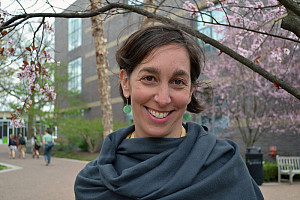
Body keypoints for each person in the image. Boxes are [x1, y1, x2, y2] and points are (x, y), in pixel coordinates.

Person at [74, 25, 264, 200]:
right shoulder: (93, 183)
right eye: (149, 78)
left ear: (190, 90)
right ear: (125, 83)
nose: (163, 99)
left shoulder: (224, 167)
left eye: (178, 82)